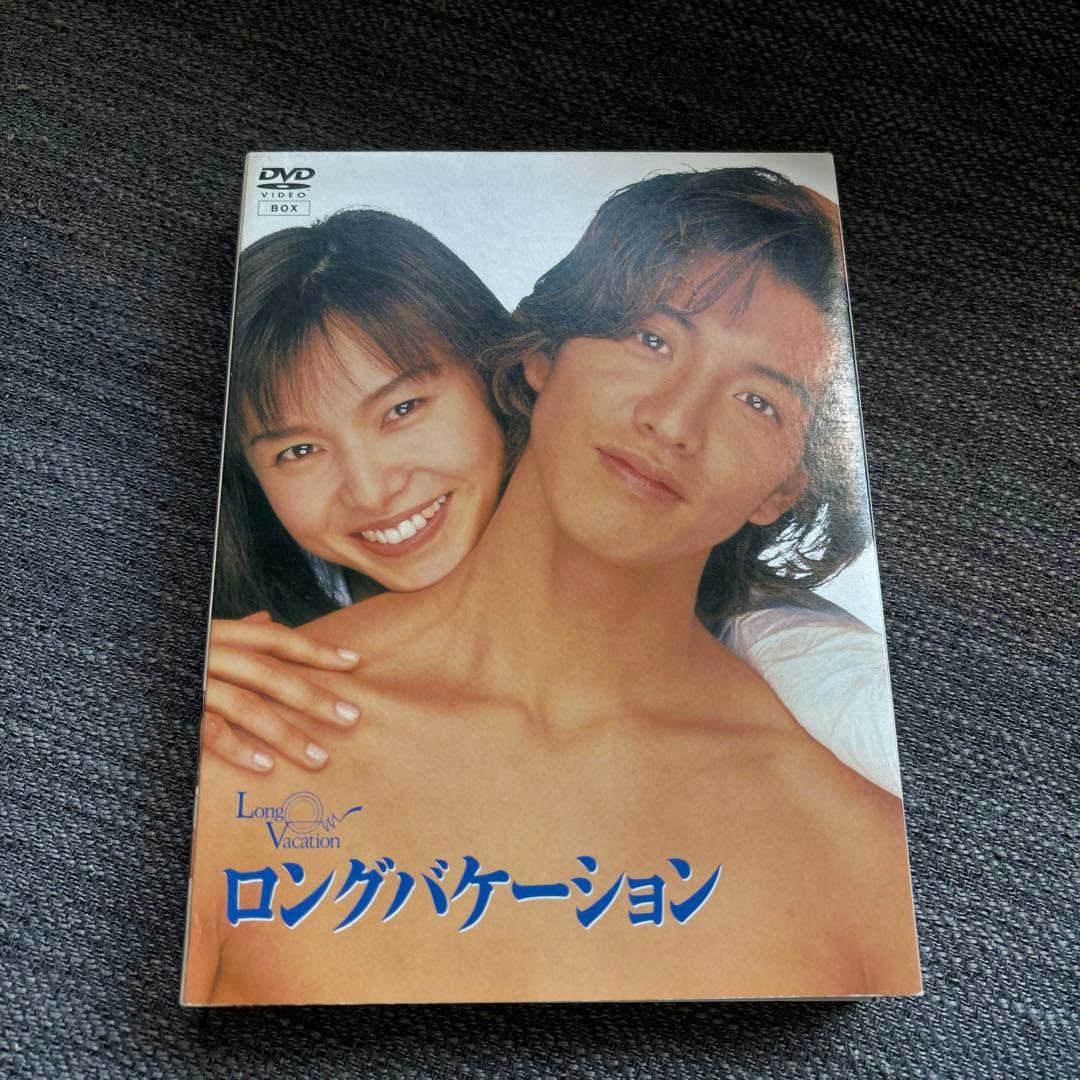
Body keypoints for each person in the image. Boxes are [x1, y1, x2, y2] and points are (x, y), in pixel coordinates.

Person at [184, 167, 920, 1004]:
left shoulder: (855, 849)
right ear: (542, 351)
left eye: (758, 402)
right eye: (652, 341)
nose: (673, 422)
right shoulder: (243, 733)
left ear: (784, 486)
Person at [203, 205, 903, 794]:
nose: (371, 489)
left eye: (403, 410)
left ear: (502, 369)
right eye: (299, 451)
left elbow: (857, 700)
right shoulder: (242, 658)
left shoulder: (750, 629)